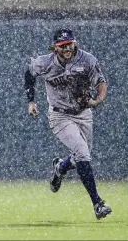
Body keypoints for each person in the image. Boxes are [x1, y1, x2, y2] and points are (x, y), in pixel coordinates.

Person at [24, 28, 112, 220]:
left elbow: (101, 83)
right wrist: (31, 101)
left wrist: (97, 101)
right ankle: (97, 203)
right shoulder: (45, 62)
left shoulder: (87, 59)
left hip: (83, 113)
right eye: (62, 45)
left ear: (75, 43)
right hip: (60, 115)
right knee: (81, 152)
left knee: (82, 156)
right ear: (55, 47)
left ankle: (61, 167)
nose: (67, 48)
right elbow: (29, 74)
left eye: (69, 44)